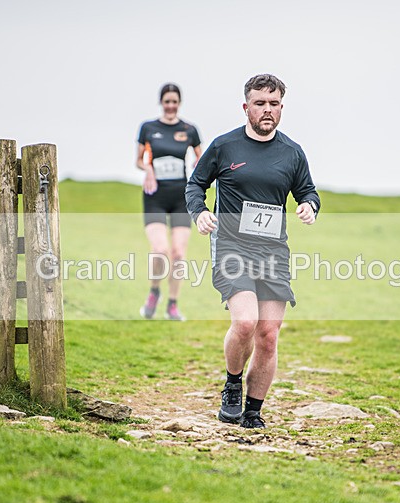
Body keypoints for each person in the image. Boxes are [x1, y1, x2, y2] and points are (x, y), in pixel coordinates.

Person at [186, 74, 320, 429]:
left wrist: (309, 206)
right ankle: (232, 384)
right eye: (260, 103)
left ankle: (253, 410)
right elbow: (196, 184)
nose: (267, 110)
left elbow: (308, 191)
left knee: (269, 334)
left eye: (274, 104)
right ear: (246, 107)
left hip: (273, 252)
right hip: (231, 245)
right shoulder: (224, 146)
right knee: (245, 322)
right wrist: (199, 212)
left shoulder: (292, 152)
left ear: (281, 108)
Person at [136, 83, 201, 320]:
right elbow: (139, 160)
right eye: (167, 102)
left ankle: (173, 304)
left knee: (178, 254)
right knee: (160, 250)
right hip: (155, 195)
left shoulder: (189, 129)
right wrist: (149, 170)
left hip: (181, 197)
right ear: (161, 102)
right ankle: (154, 291)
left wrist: (199, 167)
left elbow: (200, 157)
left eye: (174, 102)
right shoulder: (148, 128)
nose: (171, 106)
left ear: (179, 103)